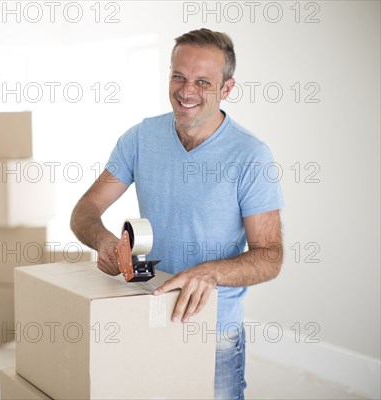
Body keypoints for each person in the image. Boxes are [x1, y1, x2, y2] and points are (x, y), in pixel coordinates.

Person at [70, 29, 284, 400]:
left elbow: (270, 256)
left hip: (213, 330)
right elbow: (85, 210)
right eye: (179, 77)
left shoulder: (251, 156)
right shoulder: (140, 138)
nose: (186, 91)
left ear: (227, 89)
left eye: (203, 82)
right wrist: (105, 242)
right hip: (147, 314)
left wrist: (210, 272)